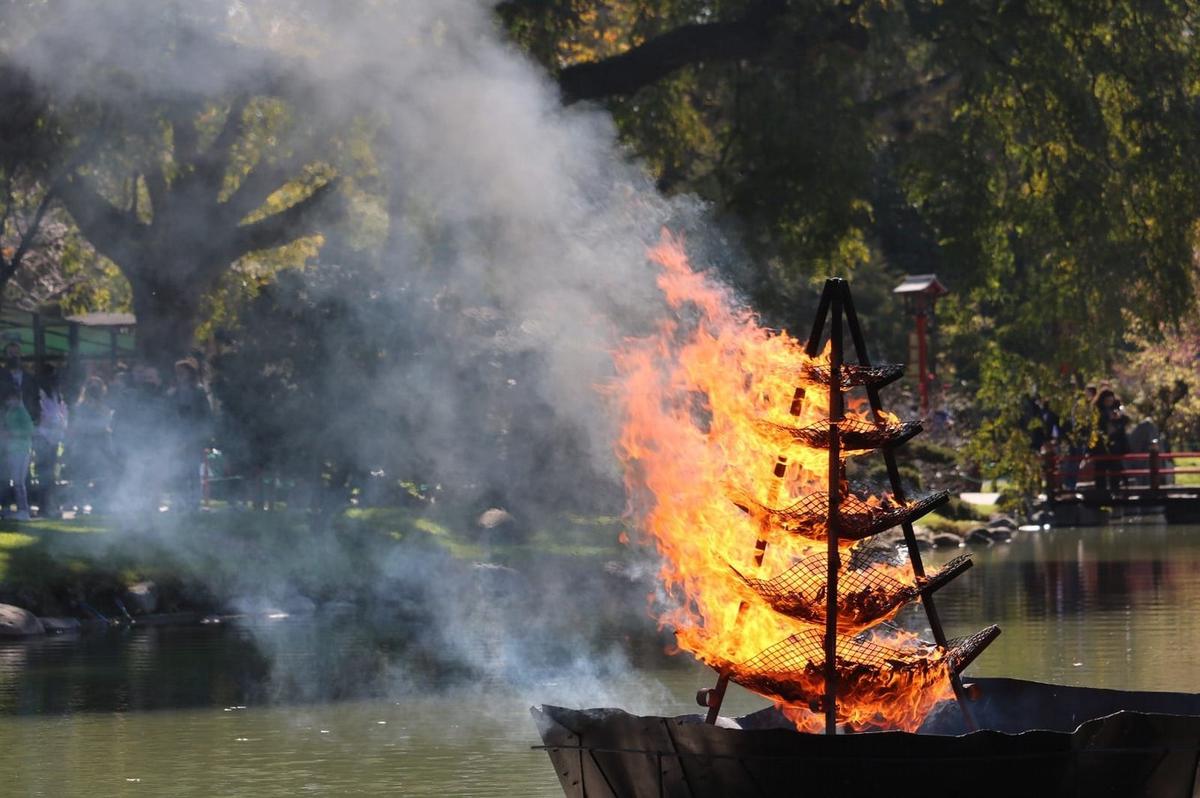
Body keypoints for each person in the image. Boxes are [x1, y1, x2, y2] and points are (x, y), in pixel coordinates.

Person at [167, 358, 212, 509]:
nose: (180, 375)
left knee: (192, 470)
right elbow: (169, 414)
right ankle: (179, 501)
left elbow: (206, 416)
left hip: (193, 438)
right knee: (178, 471)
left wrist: (203, 436)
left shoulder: (198, 392)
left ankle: (193, 502)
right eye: (178, 373)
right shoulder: (173, 393)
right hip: (177, 438)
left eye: (183, 372)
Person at [67, 376, 113, 503]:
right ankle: (80, 502)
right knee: (81, 477)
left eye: (96, 387)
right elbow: (76, 426)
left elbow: (104, 425)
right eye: (91, 386)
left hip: (100, 446)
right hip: (83, 446)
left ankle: (99, 503)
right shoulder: (79, 407)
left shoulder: (105, 407)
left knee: (101, 476)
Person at [34, 364, 68, 517]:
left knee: (50, 474)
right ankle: (44, 506)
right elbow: (43, 417)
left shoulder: (57, 395)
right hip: (43, 437)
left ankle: (50, 506)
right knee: (44, 474)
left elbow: (62, 414)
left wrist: (61, 422)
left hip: (54, 439)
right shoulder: (40, 394)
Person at [1, 382, 34, 520]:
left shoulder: (21, 411)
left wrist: (12, 433)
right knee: (15, 481)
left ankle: (23, 510)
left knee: (19, 481)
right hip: (12, 449)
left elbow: (29, 429)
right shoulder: (10, 411)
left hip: (21, 449)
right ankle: (19, 509)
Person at [1090, 388, 1129, 494]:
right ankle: (1101, 494)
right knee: (1100, 472)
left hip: (1115, 446)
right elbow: (1096, 424)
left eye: (1110, 401)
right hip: (1101, 447)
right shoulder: (1098, 410)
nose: (1109, 403)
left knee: (1115, 472)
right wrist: (1109, 417)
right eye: (1107, 401)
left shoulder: (1117, 408)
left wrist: (1119, 416)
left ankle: (1116, 492)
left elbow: (1126, 420)